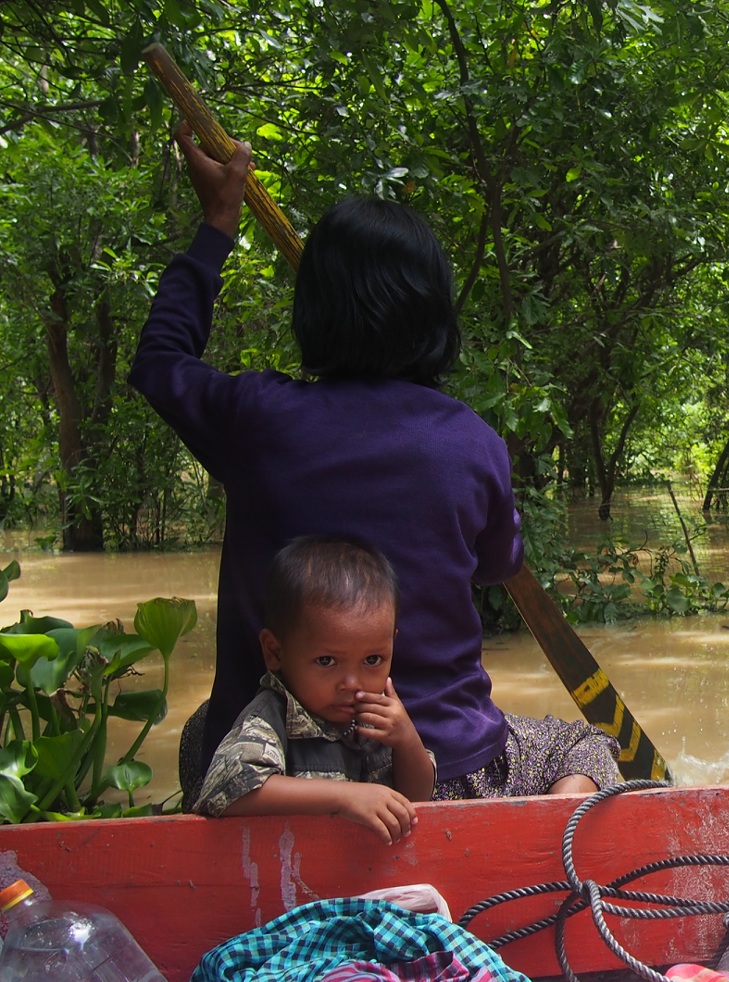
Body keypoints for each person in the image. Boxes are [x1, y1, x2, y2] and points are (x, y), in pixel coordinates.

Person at [130, 126, 621, 803]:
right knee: (585, 744)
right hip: (443, 769)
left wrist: (218, 224)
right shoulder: (472, 442)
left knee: (203, 738)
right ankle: (545, 820)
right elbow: (498, 565)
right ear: (435, 319)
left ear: (315, 311)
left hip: (286, 776)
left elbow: (158, 363)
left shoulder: (255, 417)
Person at [193, 536, 430, 843]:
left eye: (372, 659)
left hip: (366, 874)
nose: (352, 683)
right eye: (326, 661)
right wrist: (345, 797)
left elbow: (418, 795)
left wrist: (406, 740)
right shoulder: (273, 715)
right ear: (275, 652)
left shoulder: (378, 714)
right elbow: (228, 791)